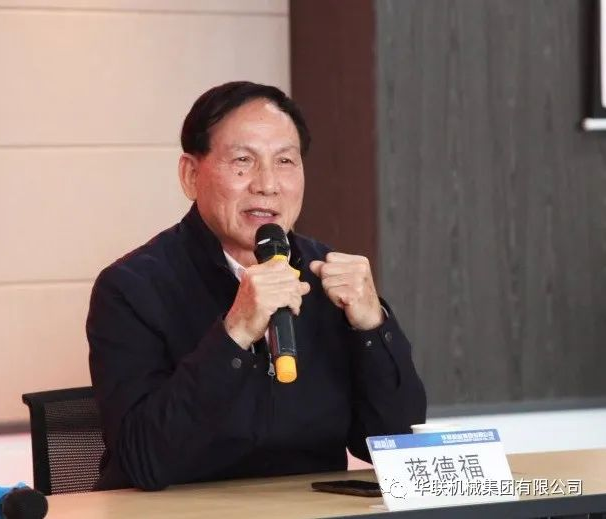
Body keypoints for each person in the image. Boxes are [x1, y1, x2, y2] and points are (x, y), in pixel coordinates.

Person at [86, 81, 426, 491]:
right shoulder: (132, 288)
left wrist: (372, 327)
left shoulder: (326, 276)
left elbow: (398, 444)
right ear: (191, 175)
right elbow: (143, 460)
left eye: (285, 161)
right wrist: (235, 334)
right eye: (243, 161)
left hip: (309, 510)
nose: (267, 184)